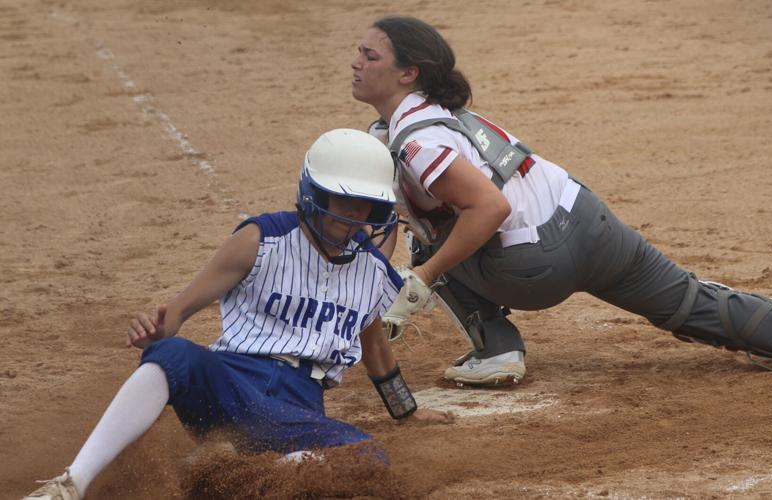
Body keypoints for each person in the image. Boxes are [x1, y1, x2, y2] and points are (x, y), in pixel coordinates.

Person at [349, 15, 772, 387]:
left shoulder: (412, 141)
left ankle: (496, 349)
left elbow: (489, 208)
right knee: (691, 301)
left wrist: (420, 278)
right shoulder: (440, 115)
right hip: (587, 222)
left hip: (530, 266)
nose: (356, 62)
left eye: (368, 55)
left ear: (407, 72)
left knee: (432, 237)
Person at [24, 128, 452, 500]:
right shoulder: (260, 238)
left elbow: (375, 349)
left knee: (367, 455)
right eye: (342, 200)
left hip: (294, 408)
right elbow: (180, 310)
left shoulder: (372, 271)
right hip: (230, 379)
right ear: (313, 193)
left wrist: (406, 410)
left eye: (364, 205)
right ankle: (71, 483)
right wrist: (156, 329)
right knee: (173, 354)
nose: (354, 215)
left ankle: (230, 472)